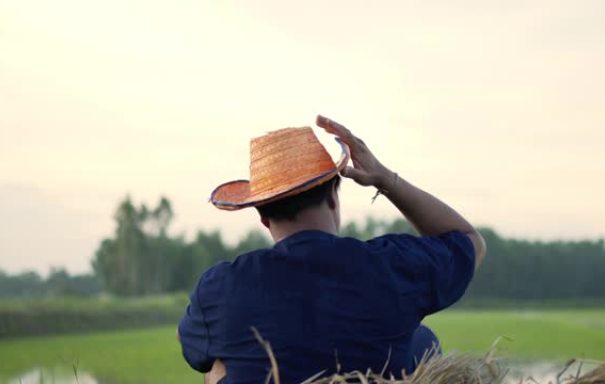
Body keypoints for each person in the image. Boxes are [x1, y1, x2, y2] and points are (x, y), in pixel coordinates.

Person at [178, 116, 486, 384]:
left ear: (263, 218)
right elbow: (468, 239)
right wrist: (385, 179)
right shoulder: (391, 266)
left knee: (218, 362)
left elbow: (192, 349)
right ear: (332, 200)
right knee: (424, 342)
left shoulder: (221, 287)